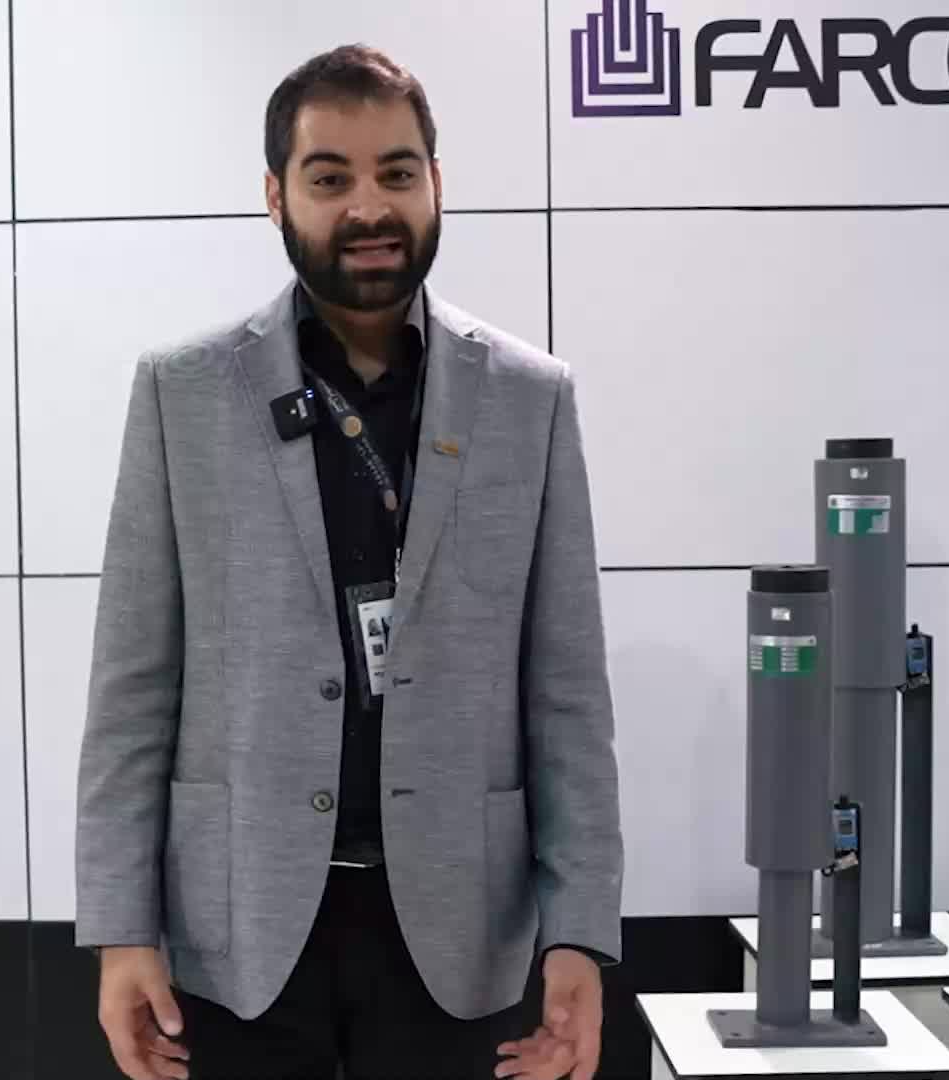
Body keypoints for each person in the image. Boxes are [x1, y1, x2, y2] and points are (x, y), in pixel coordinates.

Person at [76, 43, 623, 1080]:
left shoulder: (529, 399)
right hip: (238, 930)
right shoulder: (183, 392)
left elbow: (567, 694)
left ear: (436, 183)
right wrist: (120, 928)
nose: (370, 207)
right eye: (330, 178)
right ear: (276, 196)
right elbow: (132, 687)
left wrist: (580, 931)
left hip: (462, 931)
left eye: (397, 172)